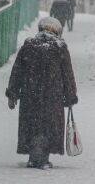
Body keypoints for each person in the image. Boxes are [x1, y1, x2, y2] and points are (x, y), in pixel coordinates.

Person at [6, 17, 78, 170]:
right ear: (57, 31)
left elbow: (17, 71)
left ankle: (34, 158)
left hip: (30, 95)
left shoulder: (29, 46)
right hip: (52, 97)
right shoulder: (60, 47)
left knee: (32, 125)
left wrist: (13, 93)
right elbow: (68, 75)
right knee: (48, 126)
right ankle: (43, 159)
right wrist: (70, 96)